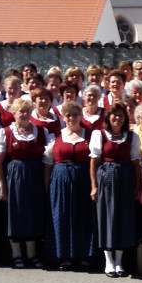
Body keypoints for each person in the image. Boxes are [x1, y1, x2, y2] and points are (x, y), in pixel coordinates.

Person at [0, 99, 48, 269]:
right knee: (15, 214)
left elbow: (48, 159)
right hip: (14, 176)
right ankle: (17, 254)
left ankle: (31, 254)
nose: (24, 114)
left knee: (33, 214)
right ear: (14, 113)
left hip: (35, 176)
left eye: (27, 111)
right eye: (20, 111)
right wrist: (2, 186)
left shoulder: (42, 131)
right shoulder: (5, 132)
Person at [90, 104, 142, 278]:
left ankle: (119, 261)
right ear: (108, 118)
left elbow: (136, 163)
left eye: (121, 115)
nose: (117, 118)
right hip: (106, 178)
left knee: (123, 217)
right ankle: (108, 261)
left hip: (126, 179)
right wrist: (94, 186)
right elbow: (94, 161)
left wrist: (137, 186)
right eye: (114, 115)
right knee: (107, 217)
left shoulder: (132, 137)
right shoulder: (100, 135)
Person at [43, 101, 95, 271]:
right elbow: (48, 164)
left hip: (83, 180)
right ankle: (63, 256)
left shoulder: (90, 136)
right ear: (64, 118)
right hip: (60, 181)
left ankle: (84, 256)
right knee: (62, 216)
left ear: (81, 116)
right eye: (68, 115)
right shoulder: (56, 137)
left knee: (83, 216)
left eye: (75, 115)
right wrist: (47, 187)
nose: (72, 118)